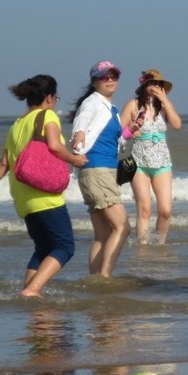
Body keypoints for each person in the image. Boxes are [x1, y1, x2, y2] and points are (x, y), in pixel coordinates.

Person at [0, 76, 87, 297]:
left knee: (43, 248)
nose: (55, 102)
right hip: (44, 195)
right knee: (65, 246)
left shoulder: (17, 124)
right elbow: (54, 145)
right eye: (56, 97)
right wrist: (75, 159)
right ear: (49, 97)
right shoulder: (48, 116)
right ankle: (33, 289)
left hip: (23, 199)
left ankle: (28, 289)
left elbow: (4, 163)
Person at [70, 60, 131, 277]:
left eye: (114, 76)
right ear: (95, 81)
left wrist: (130, 131)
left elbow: (108, 137)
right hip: (97, 170)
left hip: (101, 171)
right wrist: (78, 136)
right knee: (123, 227)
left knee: (103, 235)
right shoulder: (93, 102)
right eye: (105, 76)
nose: (110, 80)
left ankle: (95, 279)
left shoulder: (110, 108)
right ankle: (105, 277)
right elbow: (81, 123)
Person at [120, 69, 182, 244]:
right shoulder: (133, 105)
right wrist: (131, 130)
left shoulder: (163, 107)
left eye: (158, 84)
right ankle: (143, 246)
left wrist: (165, 100)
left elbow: (177, 124)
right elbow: (118, 131)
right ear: (144, 85)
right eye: (152, 83)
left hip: (162, 162)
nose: (155, 87)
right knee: (145, 209)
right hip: (139, 163)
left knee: (165, 211)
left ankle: (160, 244)